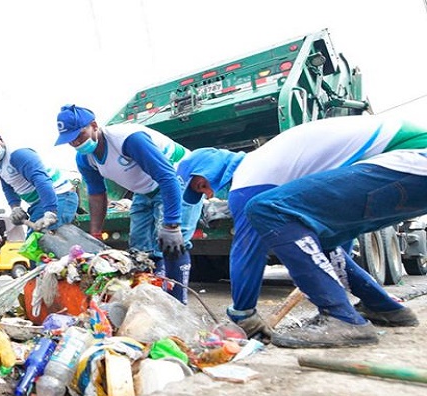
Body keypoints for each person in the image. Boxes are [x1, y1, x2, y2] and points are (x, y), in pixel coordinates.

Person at [176, 114, 427, 348]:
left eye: (202, 185)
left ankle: (342, 319)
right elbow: (333, 242)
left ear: (211, 168)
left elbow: (246, 251)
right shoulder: (272, 162)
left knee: (264, 209)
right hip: (409, 172)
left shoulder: (248, 178)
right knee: (322, 239)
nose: (208, 194)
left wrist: (243, 313)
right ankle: (383, 307)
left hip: (412, 157)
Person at [53, 104, 203, 304]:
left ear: (94, 126)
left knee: (171, 244)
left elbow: (168, 178)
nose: (76, 142)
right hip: (145, 190)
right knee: (140, 251)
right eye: (70, 140)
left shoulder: (129, 140)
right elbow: (97, 194)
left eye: (79, 135)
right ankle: (152, 301)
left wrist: (172, 224)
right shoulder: (84, 158)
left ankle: (177, 306)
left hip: (178, 179)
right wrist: (95, 234)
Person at [0, 126, 78, 233]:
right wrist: (15, 208)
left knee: (44, 243)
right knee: (34, 244)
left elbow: (41, 180)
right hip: (38, 204)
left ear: (0, 139)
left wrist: (50, 212)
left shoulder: (18, 154)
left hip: (59, 197)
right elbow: (8, 188)